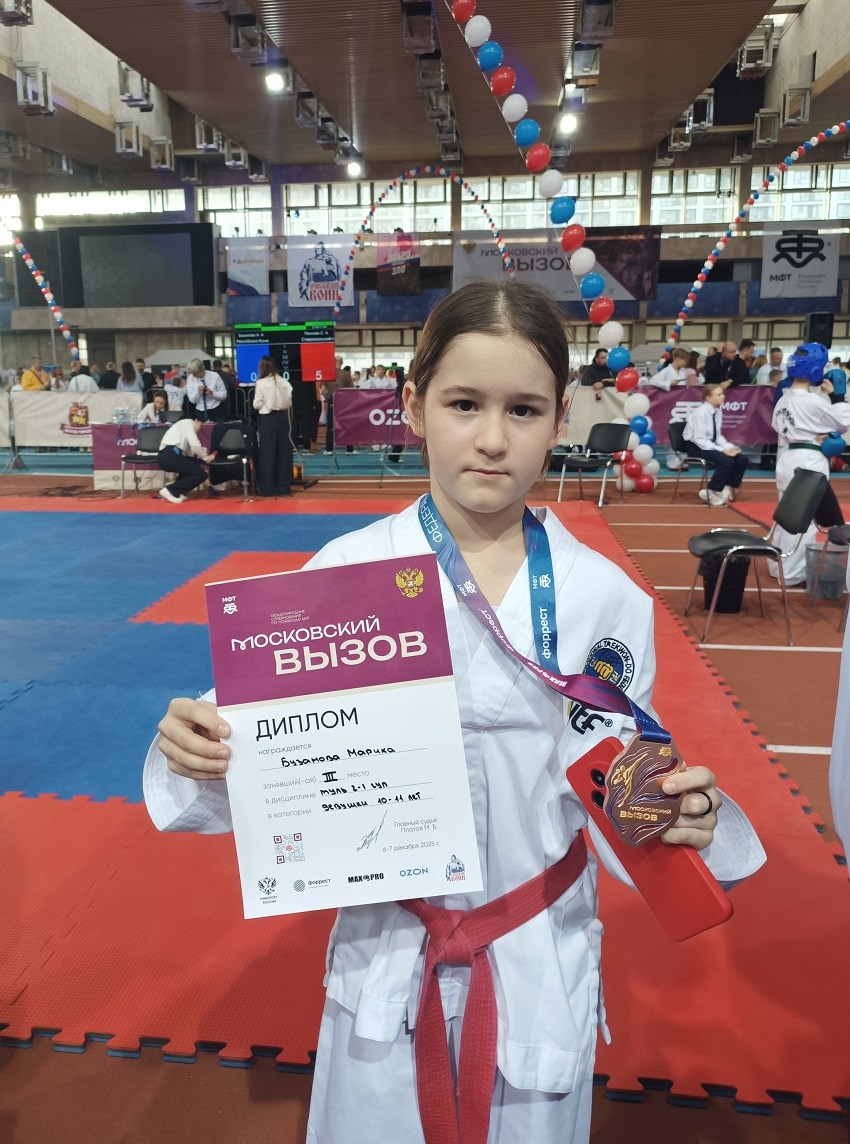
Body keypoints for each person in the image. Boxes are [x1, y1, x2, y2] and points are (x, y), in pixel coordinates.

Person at [142, 281, 764, 1144]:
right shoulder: (345, 574)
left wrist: (676, 813)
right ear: (414, 406)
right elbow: (264, 747)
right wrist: (197, 748)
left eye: (524, 410)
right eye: (464, 404)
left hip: (535, 943)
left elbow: (618, 779)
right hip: (389, 947)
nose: (492, 439)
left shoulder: (602, 598)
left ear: (560, 419)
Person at [769, 342, 850, 586]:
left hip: (787, 457)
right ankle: (793, 574)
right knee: (805, 517)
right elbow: (843, 423)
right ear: (815, 369)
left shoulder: (784, 399)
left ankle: (777, 566)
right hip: (809, 459)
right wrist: (837, 396)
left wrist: (814, 430)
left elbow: (780, 427)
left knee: (786, 513)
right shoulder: (811, 401)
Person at [682, 382, 748, 506]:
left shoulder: (717, 412)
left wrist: (730, 447)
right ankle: (711, 492)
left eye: (722, 394)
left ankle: (726, 487)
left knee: (742, 459)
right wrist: (722, 450)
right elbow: (699, 439)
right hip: (696, 447)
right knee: (727, 461)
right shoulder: (700, 413)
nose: (723, 396)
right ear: (708, 398)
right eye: (719, 395)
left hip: (710, 445)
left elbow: (717, 437)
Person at [252, 355, 293, 497]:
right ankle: (284, 487)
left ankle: (268, 489)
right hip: (283, 418)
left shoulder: (261, 383)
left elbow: (257, 404)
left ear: (262, 368)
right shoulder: (284, 381)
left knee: (268, 453)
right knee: (284, 453)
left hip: (268, 419)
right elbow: (289, 402)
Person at [156, 416, 213, 504]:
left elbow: (190, 453)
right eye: (200, 424)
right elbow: (195, 445)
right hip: (169, 456)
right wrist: (205, 458)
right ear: (196, 420)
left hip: (168, 456)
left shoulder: (181, 429)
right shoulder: (188, 422)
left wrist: (204, 457)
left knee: (194, 462)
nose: (200, 428)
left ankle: (178, 493)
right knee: (201, 475)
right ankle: (170, 490)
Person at [321, 354, 355, 454]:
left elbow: (323, 390)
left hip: (332, 400)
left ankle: (329, 449)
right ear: (342, 362)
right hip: (344, 401)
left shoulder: (327, 373)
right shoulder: (346, 374)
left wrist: (327, 399)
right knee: (347, 424)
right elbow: (351, 390)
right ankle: (349, 449)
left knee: (330, 425)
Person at [186, 358, 228, 422]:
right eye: (192, 373)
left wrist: (213, 393)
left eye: (195, 373)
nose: (193, 375)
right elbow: (192, 400)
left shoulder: (215, 376)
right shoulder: (190, 379)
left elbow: (224, 395)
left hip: (216, 409)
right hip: (200, 411)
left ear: (201, 370)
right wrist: (198, 391)